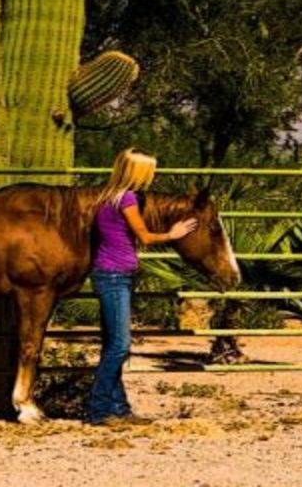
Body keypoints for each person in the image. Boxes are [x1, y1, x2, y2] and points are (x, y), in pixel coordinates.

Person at [86, 148, 199, 426]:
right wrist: (173, 234)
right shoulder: (126, 199)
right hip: (114, 277)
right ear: (138, 172)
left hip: (111, 275)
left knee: (113, 345)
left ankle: (119, 409)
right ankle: (98, 410)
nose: (153, 175)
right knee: (120, 346)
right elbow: (145, 237)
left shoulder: (106, 197)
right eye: (150, 170)